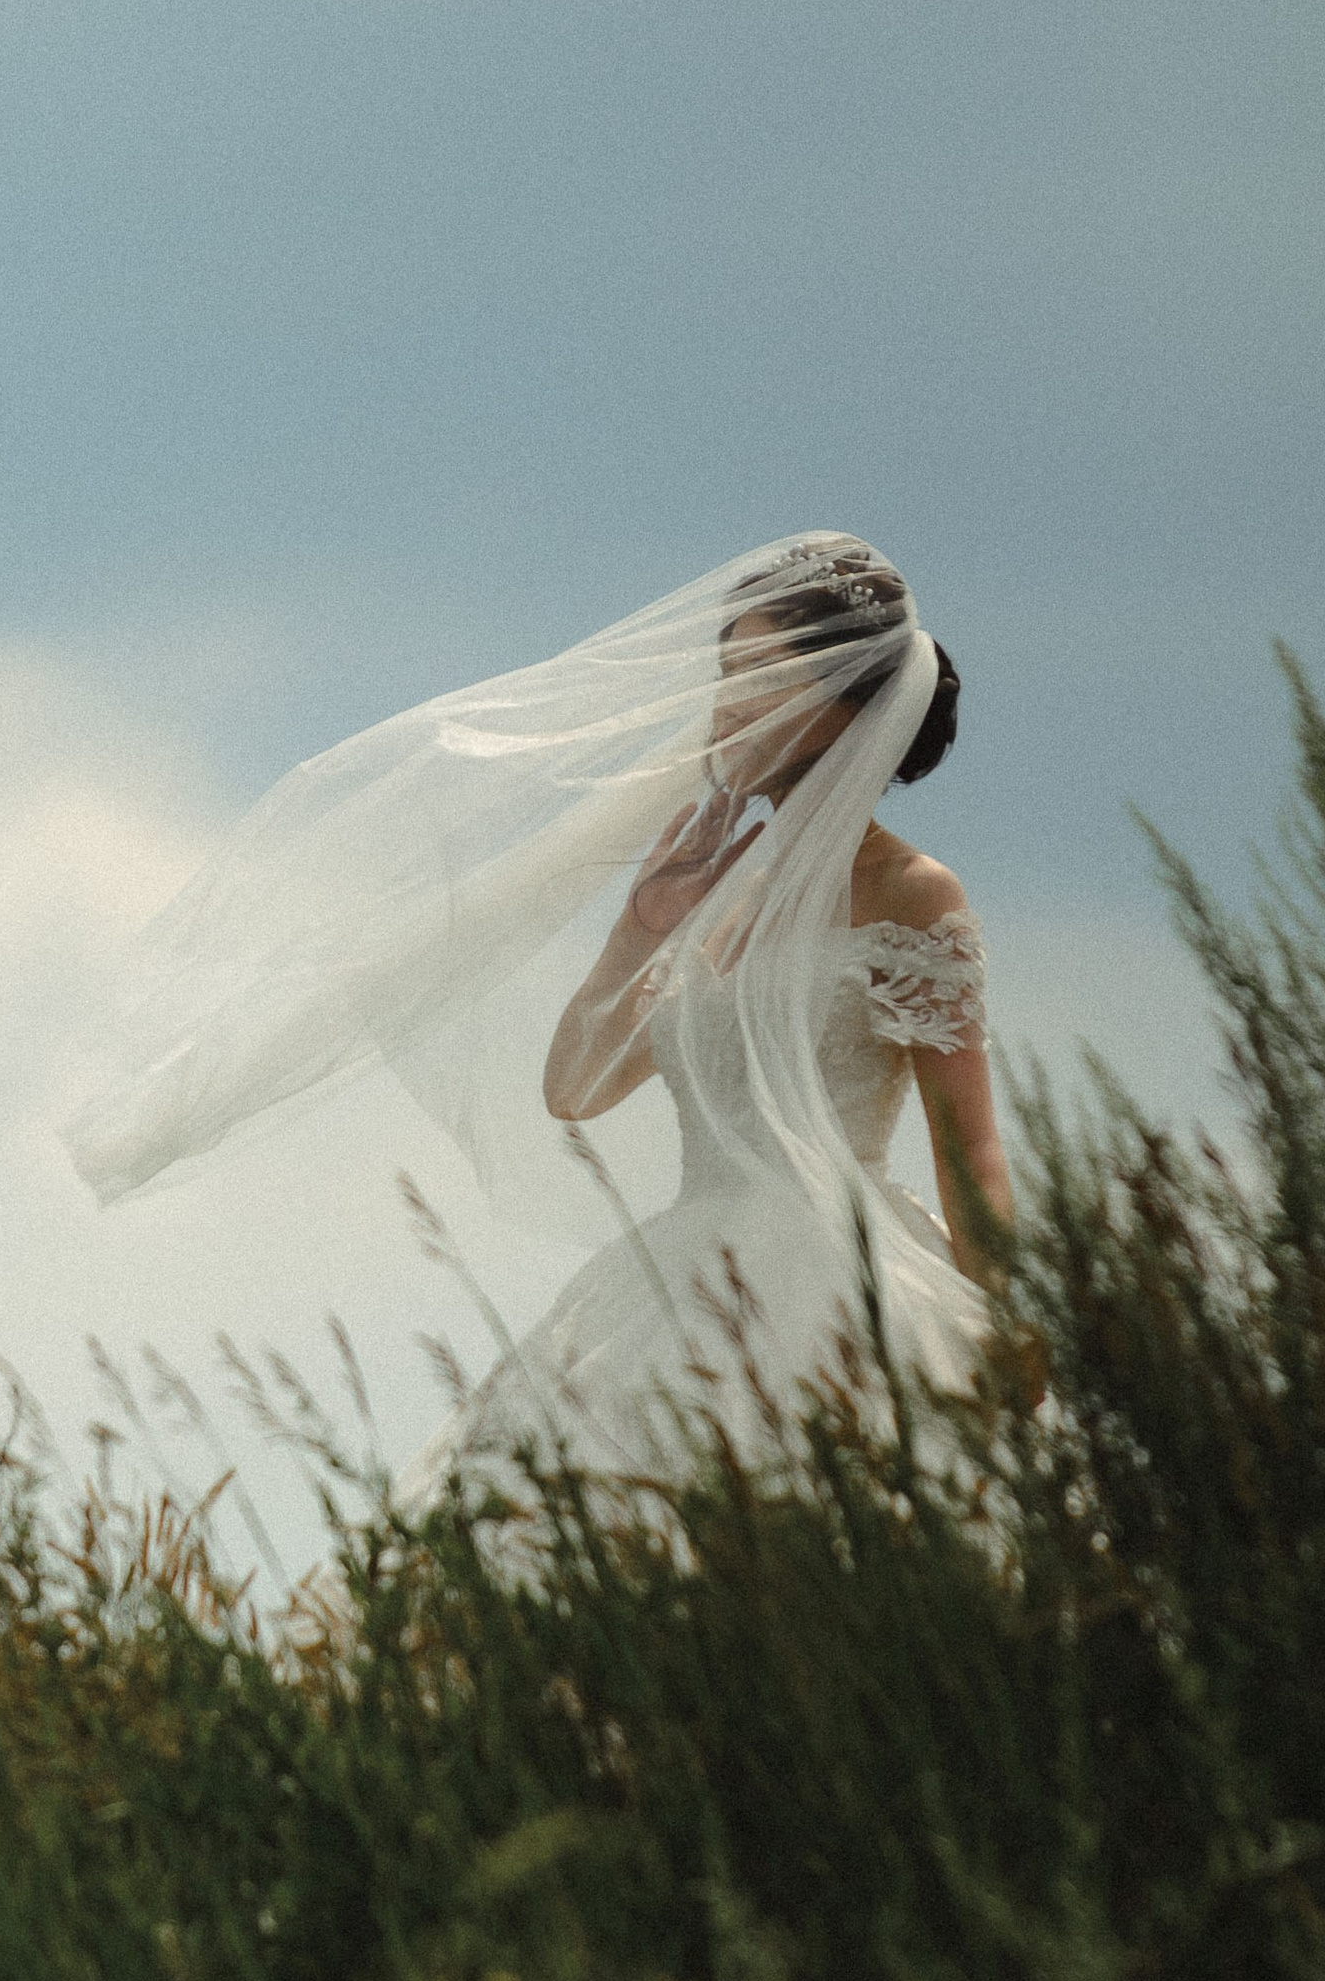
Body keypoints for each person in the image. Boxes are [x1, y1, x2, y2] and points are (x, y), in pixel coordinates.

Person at [64, 532, 1012, 1483]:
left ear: (851, 706)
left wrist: (1006, 1325)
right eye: (730, 673)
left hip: (843, 1282)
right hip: (684, 1278)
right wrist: (641, 929)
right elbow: (575, 1088)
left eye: (765, 678)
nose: (730, 705)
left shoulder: (912, 894)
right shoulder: (726, 900)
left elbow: (967, 1147)